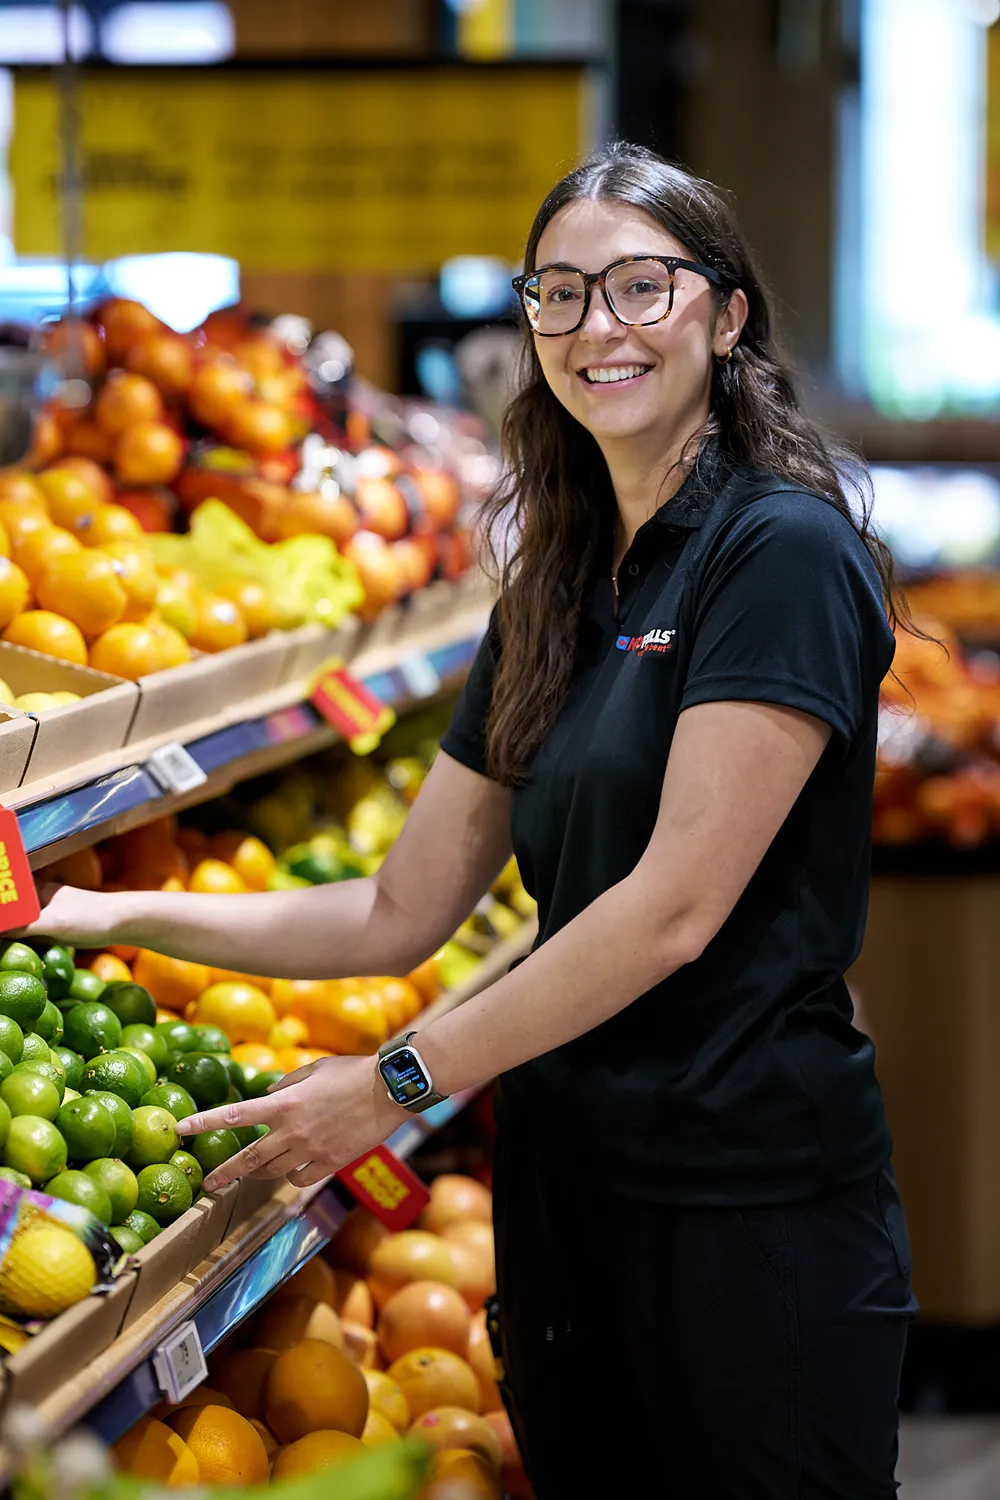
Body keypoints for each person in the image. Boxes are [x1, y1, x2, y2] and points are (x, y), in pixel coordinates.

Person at [24, 143, 917, 1497]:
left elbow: (672, 912)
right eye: (557, 295)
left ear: (728, 318)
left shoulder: (779, 554)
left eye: (639, 288)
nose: (595, 327)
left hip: (746, 1210)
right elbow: (399, 910)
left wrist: (389, 1088)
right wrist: (113, 907)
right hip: (568, 1205)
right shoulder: (554, 587)